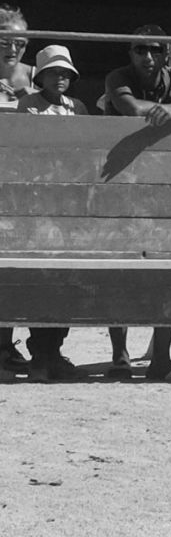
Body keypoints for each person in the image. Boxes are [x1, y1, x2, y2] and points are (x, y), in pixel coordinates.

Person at [104, 25, 171, 382]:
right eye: (140, 50)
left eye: (155, 49)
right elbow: (130, 107)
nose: (147, 56)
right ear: (130, 53)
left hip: (169, 179)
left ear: (166, 52)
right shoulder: (118, 76)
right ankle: (120, 355)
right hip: (117, 179)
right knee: (117, 266)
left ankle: (159, 358)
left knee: (169, 265)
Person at [10, 45, 88, 381]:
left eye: (65, 72)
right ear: (40, 76)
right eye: (54, 72)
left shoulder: (79, 107)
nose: (61, 77)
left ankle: (50, 351)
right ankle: (42, 354)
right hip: (38, 202)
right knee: (41, 277)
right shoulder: (28, 107)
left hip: (68, 205)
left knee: (64, 278)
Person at [0, 6, 34, 373]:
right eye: (5, 40)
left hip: (22, 179)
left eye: (19, 41)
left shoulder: (37, 76)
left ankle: (6, 345)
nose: (13, 48)